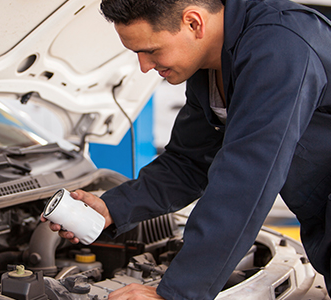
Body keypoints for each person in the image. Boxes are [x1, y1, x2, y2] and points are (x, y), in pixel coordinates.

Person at [42, 0, 331, 299]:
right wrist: (112, 208)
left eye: (151, 50)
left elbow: (246, 181)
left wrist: (176, 293)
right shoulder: (211, 62)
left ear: (194, 23)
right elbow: (190, 161)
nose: (143, 67)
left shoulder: (280, 47)